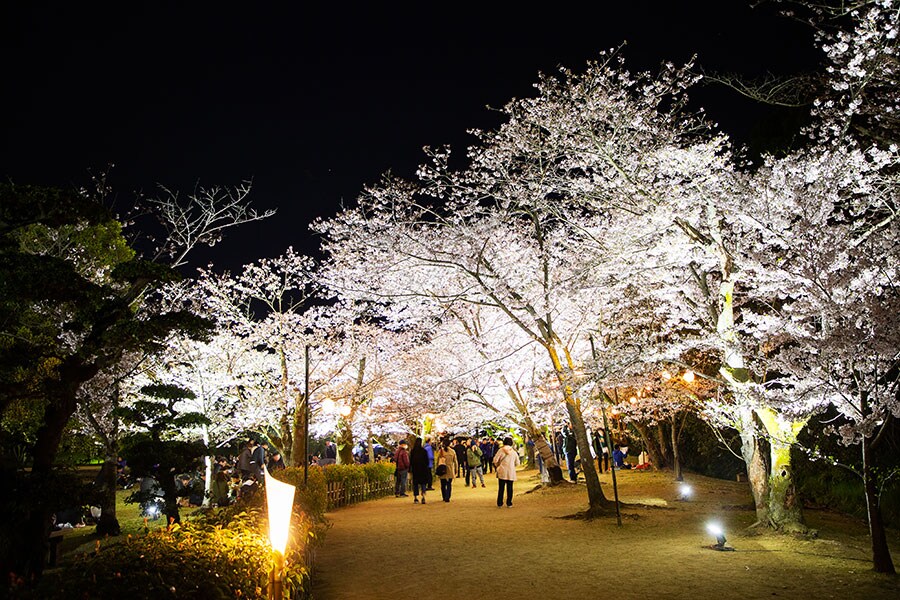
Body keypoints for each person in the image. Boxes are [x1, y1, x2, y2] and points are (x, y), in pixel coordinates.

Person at [493, 436, 520, 508]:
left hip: (502, 471)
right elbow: (517, 463)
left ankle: (500, 503)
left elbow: (495, 460)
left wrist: (497, 465)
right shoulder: (514, 452)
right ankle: (509, 503)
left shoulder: (500, 450)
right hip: (511, 472)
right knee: (510, 488)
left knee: (501, 488)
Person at [409, 437, 431, 504]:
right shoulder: (423, 451)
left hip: (415, 470)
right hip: (423, 470)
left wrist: (411, 469)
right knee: (423, 483)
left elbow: (411, 461)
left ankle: (415, 497)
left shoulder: (413, 451)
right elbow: (427, 461)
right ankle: (423, 496)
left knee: (415, 484)